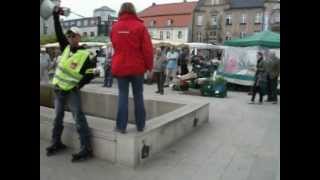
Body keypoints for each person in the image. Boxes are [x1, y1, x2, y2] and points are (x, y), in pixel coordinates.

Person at [46, 6, 98, 162]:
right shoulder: (66, 48)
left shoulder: (85, 54)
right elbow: (58, 31)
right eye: (68, 35)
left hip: (72, 91)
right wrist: (55, 16)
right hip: (58, 89)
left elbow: (90, 74)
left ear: (78, 37)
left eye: (73, 35)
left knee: (79, 118)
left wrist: (79, 85)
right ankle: (56, 142)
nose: (69, 37)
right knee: (57, 118)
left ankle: (86, 148)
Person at [111, 2, 153, 134]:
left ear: (121, 11)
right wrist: (149, 66)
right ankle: (140, 126)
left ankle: (121, 127)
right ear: (133, 11)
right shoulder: (140, 27)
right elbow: (148, 50)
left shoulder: (114, 27)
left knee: (122, 96)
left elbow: (115, 45)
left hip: (121, 66)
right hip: (137, 67)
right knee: (138, 96)